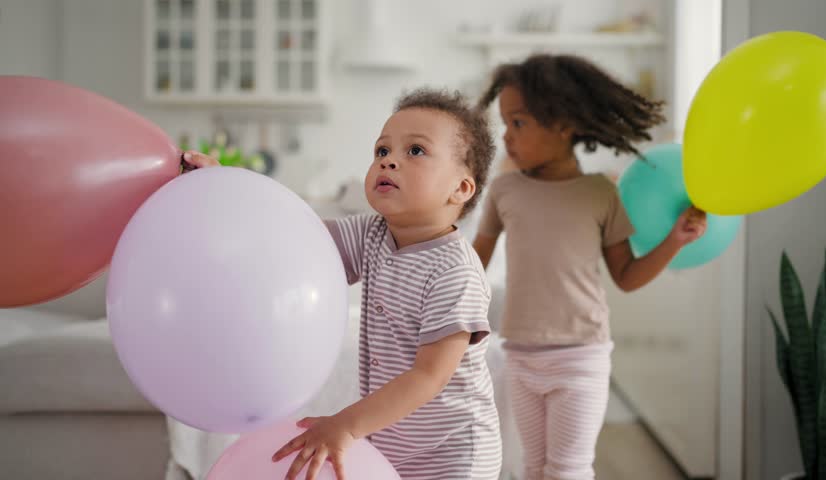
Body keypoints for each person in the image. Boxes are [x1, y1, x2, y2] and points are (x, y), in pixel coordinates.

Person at [182, 88, 502, 480]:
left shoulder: (455, 270)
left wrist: (346, 425)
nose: (390, 162)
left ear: (461, 188)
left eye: (415, 151)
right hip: (391, 445)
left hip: (452, 454)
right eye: (382, 152)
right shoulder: (372, 234)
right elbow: (295, 234)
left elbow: (428, 377)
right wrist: (225, 188)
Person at [472, 54, 707, 480]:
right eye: (505, 123)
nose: (506, 136)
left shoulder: (601, 193)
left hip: (580, 357)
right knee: (534, 468)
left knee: (569, 470)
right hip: (521, 356)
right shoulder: (504, 190)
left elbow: (627, 277)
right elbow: (472, 269)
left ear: (564, 125)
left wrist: (675, 241)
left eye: (518, 123)